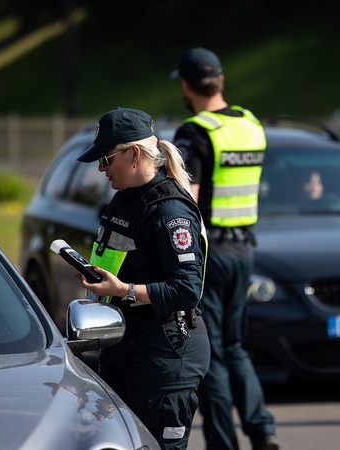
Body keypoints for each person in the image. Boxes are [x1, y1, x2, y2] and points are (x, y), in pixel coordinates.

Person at [76, 107, 210, 450]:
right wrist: (98, 279)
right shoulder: (124, 200)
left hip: (166, 356)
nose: (101, 169)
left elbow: (187, 290)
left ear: (133, 154)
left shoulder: (170, 212)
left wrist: (123, 289)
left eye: (106, 160)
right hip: (124, 347)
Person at [171, 47, 279, 450]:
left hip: (212, 254)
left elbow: (189, 200)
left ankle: (223, 443)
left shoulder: (195, 131)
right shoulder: (251, 124)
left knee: (211, 352)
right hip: (245, 248)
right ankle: (262, 430)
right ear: (220, 81)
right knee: (235, 346)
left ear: (186, 85)